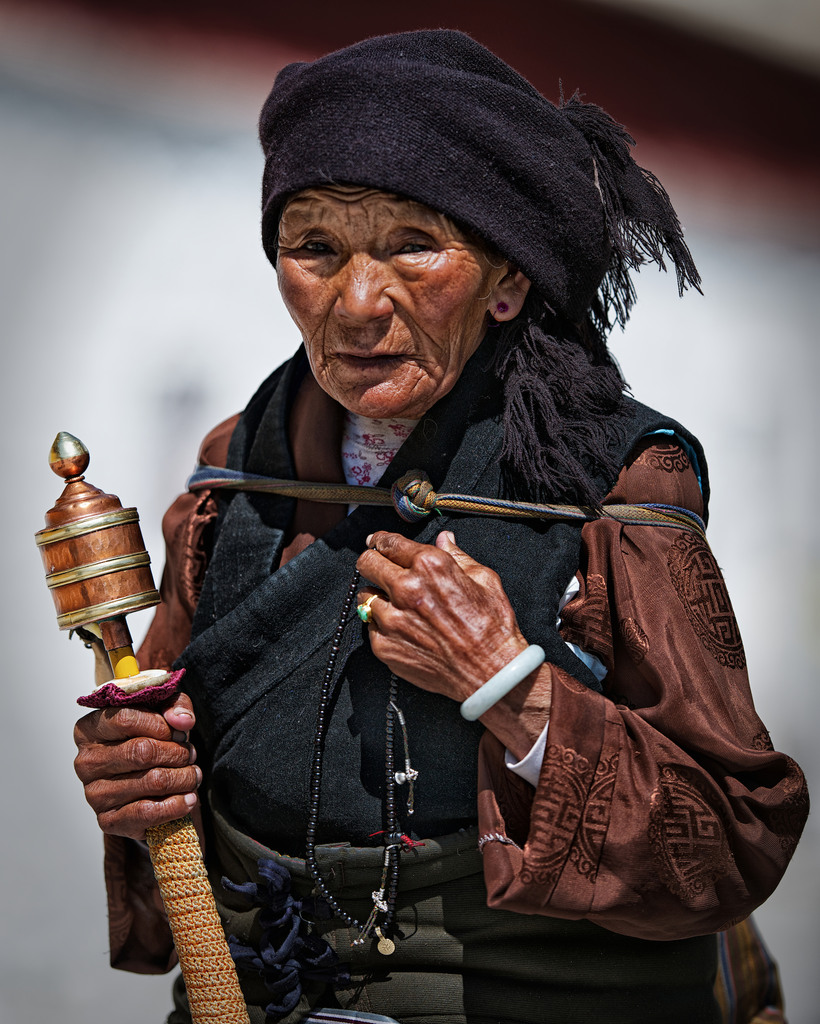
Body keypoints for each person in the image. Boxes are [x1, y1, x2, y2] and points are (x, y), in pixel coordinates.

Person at [72, 30, 807, 1024]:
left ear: (506, 282)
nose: (357, 303)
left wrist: (511, 683)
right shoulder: (236, 476)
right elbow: (173, 778)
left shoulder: (615, 485)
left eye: (413, 245)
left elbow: (727, 835)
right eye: (314, 248)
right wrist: (139, 783)